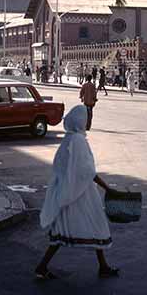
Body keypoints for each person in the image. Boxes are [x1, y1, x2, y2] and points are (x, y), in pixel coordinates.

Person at [35, 105, 118, 279]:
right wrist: (108, 188)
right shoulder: (79, 142)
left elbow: (60, 167)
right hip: (81, 194)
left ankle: (43, 267)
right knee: (96, 225)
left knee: (62, 231)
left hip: (68, 191)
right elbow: (87, 171)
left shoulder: (68, 139)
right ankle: (102, 267)